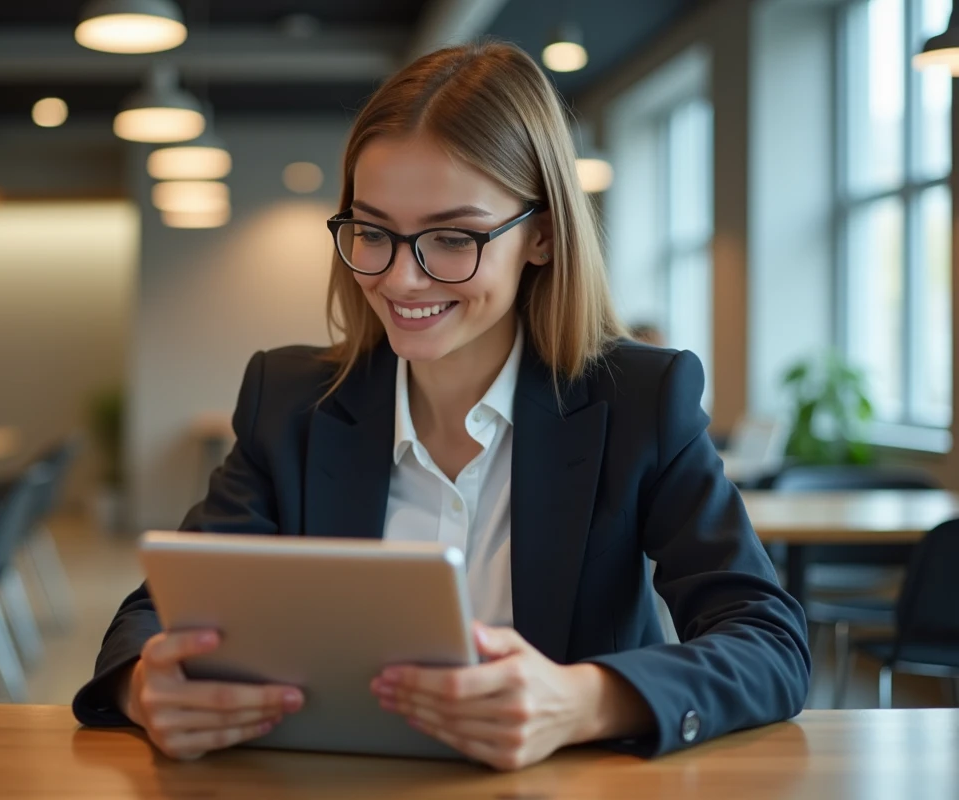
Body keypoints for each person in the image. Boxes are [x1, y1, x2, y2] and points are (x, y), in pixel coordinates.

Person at [73, 42, 809, 770]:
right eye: (373, 232)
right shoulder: (290, 403)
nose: (401, 279)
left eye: (453, 238)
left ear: (542, 236)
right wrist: (146, 688)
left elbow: (768, 641)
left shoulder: (639, 401)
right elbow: (151, 615)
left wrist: (583, 700)